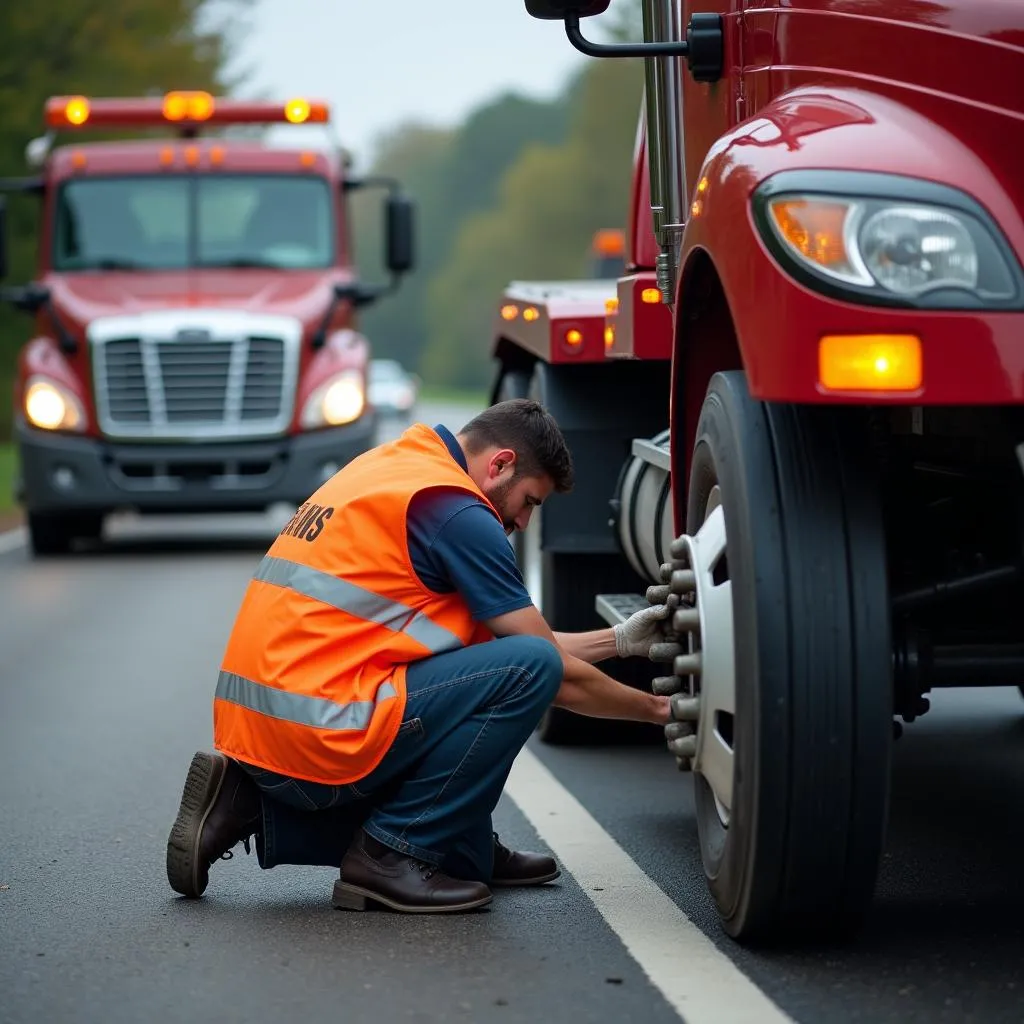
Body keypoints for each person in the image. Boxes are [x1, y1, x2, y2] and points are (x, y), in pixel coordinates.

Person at [166, 399, 671, 914]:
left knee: (465, 859)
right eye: (529, 502)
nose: (521, 520)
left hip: (270, 726)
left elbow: (521, 642)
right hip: (320, 734)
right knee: (528, 673)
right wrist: (658, 712)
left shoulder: (398, 466)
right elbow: (545, 669)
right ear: (500, 465)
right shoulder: (459, 513)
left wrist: (620, 641)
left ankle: (248, 806)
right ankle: (387, 856)